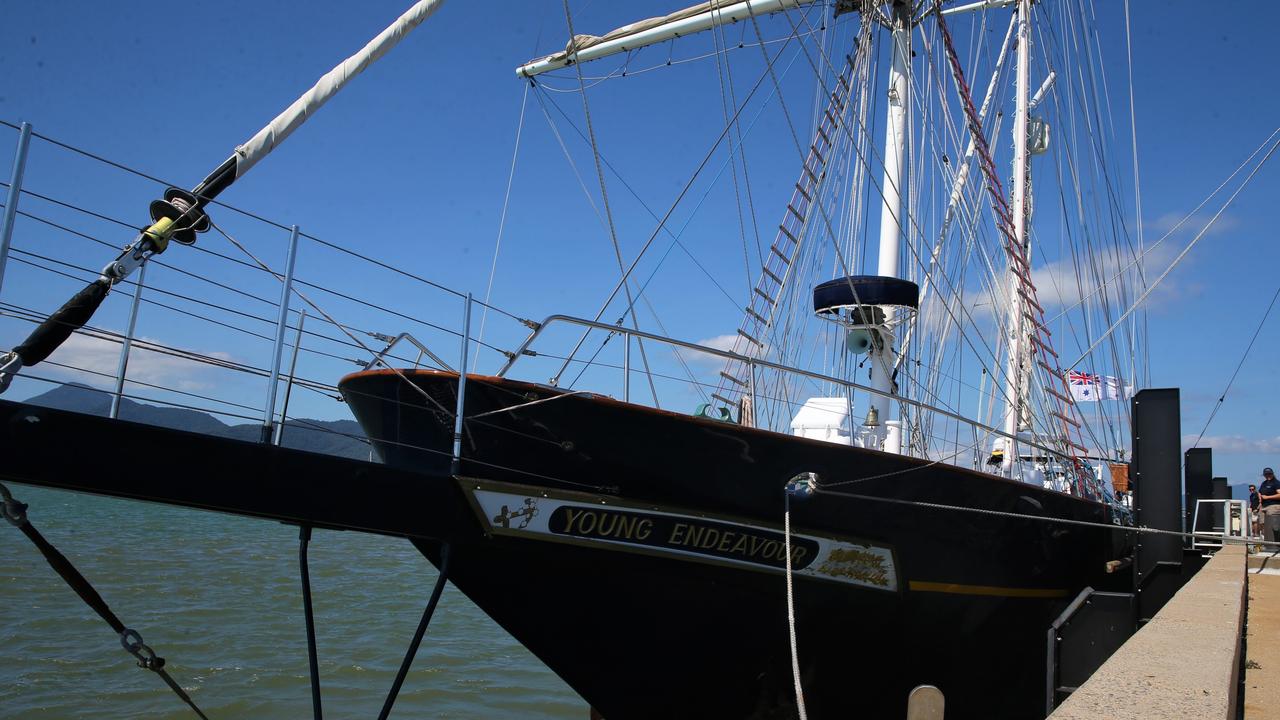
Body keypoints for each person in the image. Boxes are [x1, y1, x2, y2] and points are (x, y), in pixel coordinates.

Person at [1259, 468, 1280, 544]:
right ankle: (1266, 541)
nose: (1268, 476)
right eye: (1266, 474)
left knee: (1273, 526)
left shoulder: (1276, 483)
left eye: (1269, 474)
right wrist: (1260, 499)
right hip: (1264, 506)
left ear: (1272, 474)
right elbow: (1260, 492)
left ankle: (1275, 543)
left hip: (1274, 505)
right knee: (1262, 523)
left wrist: (1268, 497)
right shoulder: (1264, 483)